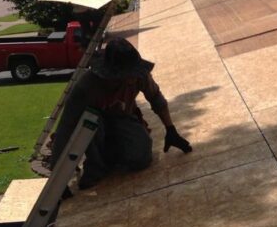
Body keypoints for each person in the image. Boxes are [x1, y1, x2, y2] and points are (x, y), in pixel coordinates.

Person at [49, 38, 192, 189]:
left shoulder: (139, 76)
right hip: (94, 126)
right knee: (91, 122)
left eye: (132, 73)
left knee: (141, 159)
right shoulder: (87, 86)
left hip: (123, 117)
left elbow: (156, 98)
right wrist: (58, 180)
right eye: (126, 75)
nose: (131, 79)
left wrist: (171, 130)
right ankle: (97, 167)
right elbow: (65, 127)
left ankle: (112, 151)